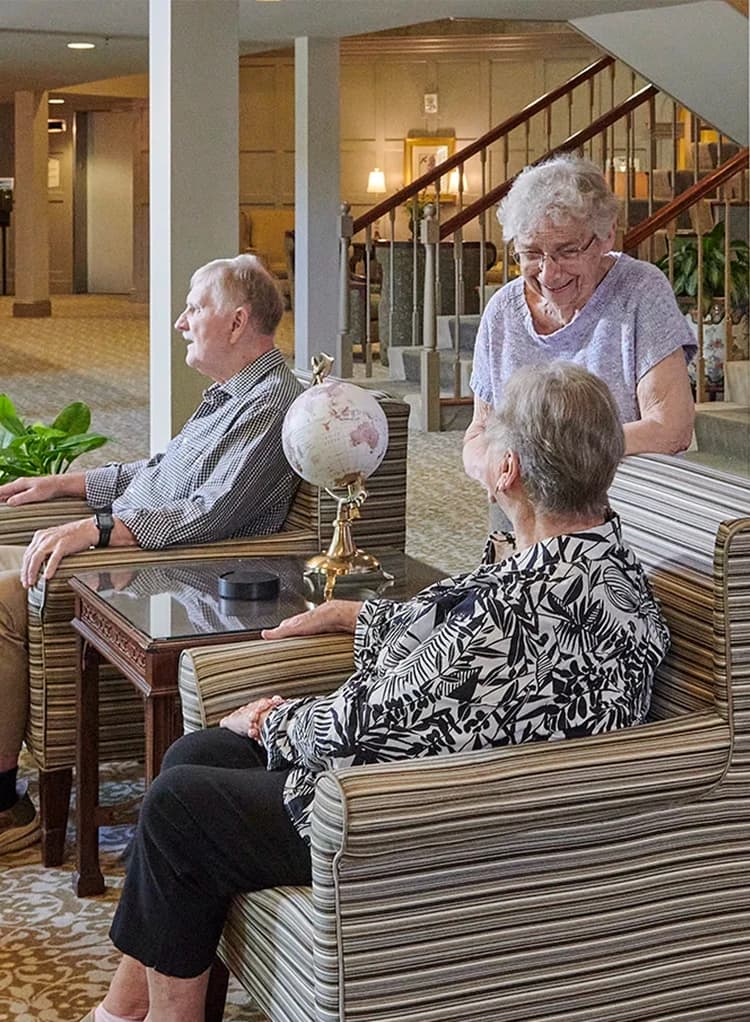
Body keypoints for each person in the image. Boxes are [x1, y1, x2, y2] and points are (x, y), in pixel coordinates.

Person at [81, 362, 670, 1022]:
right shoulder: (602, 565)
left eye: (489, 435)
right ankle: (123, 1010)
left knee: (179, 807)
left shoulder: (527, 605)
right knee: (195, 759)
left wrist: (271, 722)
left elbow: (385, 718)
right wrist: (357, 616)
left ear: (508, 471)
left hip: (417, 814)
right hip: (442, 776)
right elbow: (459, 639)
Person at [0, 254, 303, 853]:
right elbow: (160, 472)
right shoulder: (229, 394)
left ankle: (6, 803)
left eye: (194, 309)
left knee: (3, 597)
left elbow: (207, 515)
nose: (180, 323)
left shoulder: (270, 403)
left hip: (169, 574)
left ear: (238, 321)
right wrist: (68, 486)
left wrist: (100, 527)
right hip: (132, 544)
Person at [463, 153, 696, 489]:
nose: (548, 272)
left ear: (606, 236)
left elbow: (671, 429)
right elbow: (480, 430)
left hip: (622, 506)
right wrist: (484, 463)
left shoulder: (640, 292)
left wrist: (547, 459)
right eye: (530, 253)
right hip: (526, 510)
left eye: (568, 251)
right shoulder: (503, 311)